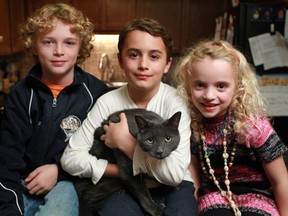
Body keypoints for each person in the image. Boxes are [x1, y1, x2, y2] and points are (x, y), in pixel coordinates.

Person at [61, 18, 198, 216]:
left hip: (173, 187)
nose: (143, 65)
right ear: (120, 60)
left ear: (168, 64)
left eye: (154, 56)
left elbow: (174, 175)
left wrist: (126, 144)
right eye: (134, 55)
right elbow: (70, 159)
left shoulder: (176, 102)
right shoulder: (107, 102)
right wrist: (119, 171)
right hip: (122, 186)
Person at [0, 3, 108, 216]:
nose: (59, 51)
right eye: (48, 42)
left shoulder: (96, 94)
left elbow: (101, 152)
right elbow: (7, 161)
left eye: (69, 43)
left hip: (68, 183)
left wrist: (59, 171)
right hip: (22, 183)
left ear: (81, 47)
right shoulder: (21, 95)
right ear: (34, 45)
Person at [174, 39, 288, 216]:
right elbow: (193, 178)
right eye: (200, 85)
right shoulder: (190, 125)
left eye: (221, 86)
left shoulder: (254, 126)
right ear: (189, 86)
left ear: (238, 87)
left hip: (258, 198)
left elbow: (281, 181)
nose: (209, 95)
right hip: (214, 197)